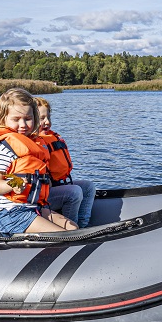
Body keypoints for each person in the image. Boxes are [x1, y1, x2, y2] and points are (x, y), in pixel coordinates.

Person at [0, 88, 78, 235]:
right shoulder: (3, 149)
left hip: (33, 208)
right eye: (16, 120)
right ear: (2, 119)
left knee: (73, 229)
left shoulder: (35, 145)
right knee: (64, 236)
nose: (23, 125)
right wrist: (12, 184)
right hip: (10, 213)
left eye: (28, 118)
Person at [35, 96, 97, 228]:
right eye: (42, 119)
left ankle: (83, 225)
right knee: (74, 192)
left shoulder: (52, 137)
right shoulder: (34, 143)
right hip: (42, 196)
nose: (47, 122)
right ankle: (71, 229)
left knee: (88, 187)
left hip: (60, 184)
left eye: (48, 117)